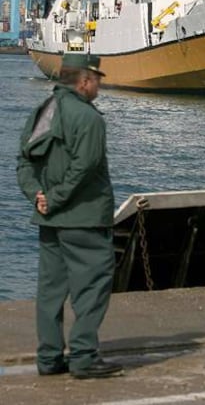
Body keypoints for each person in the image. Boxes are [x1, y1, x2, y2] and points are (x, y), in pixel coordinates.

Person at [17, 53, 124, 380]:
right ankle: (83, 356)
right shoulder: (89, 119)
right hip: (84, 218)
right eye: (97, 80)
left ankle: (49, 358)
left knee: (51, 291)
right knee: (92, 286)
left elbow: (24, 161)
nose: (99, 87)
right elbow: (84, 168)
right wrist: (55, 199)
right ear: (85, 80)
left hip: (50, 222)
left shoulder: (43, 112)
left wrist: (38, 196)